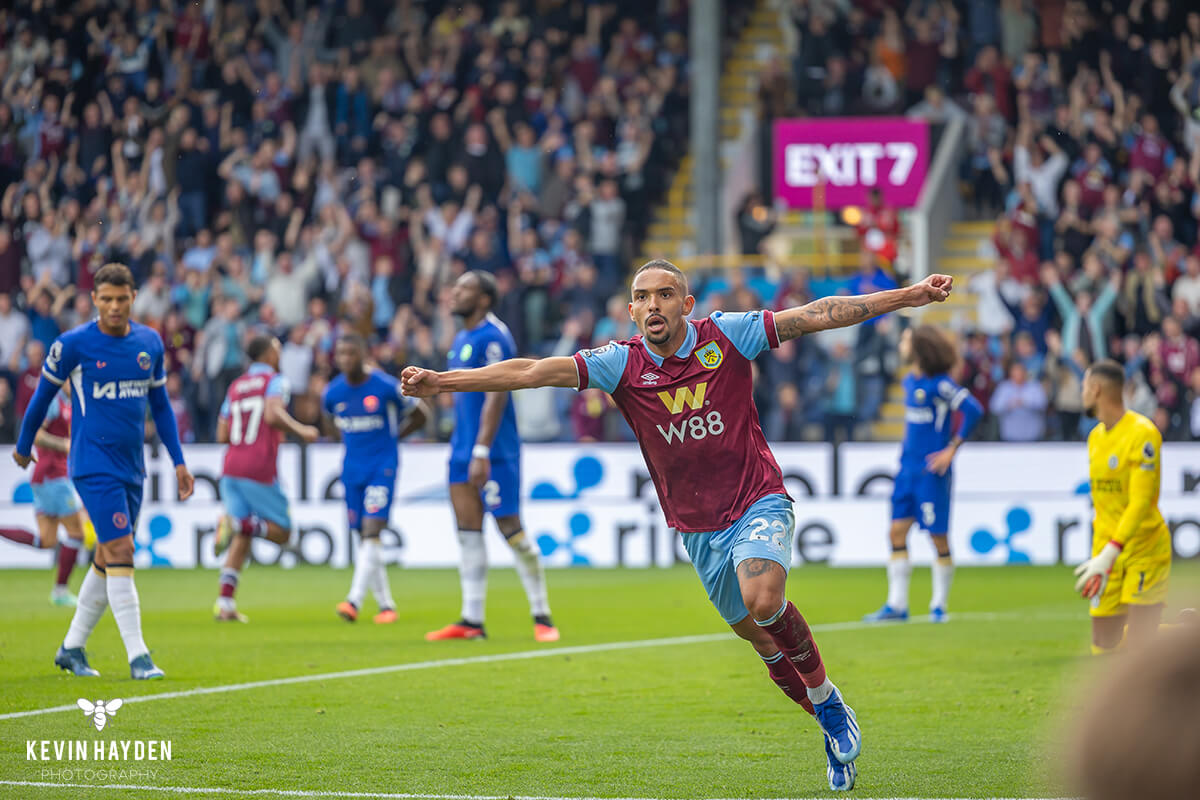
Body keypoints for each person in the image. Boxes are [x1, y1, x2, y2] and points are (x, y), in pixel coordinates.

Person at [403, 258, 955, 792]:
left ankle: (829, 703)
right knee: (758, 638)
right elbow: (528, 371)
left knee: (764, 599)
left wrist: (910, 295)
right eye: (642, 297)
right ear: (631, 311)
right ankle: (826, 727)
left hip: (757, 499)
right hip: (698, 527)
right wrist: (442, 382)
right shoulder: (620, 363)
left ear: (686, 304)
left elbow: (818, 313)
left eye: (664, 294)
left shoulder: (729, 335)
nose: (652, 305)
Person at [13, 263, 195, 680]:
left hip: (132, 466)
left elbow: (161, 408)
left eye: (121, 298)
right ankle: (139, 656)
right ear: (94, 300)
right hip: (92, 464)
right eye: (106, 299)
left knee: (107, 555)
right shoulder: (73, 344)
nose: (114, 306)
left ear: (134, 297)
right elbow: (40, 399)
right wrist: (24, 446)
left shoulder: (149, 342)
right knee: (123, 551)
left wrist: (179, 460)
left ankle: (71, 648)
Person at [425, 271, 558, 643]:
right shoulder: (463, 338)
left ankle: (542, 614)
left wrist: (481, 449)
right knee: (468, 533)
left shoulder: (494, 335)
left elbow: (497, 392)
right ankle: (471, 620)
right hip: (460, 450)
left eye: (464, 288)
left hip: (494, 452)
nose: (454, 292)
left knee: (510, 529)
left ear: (484, 298)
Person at [863, 326, 982, 624]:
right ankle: (897, 605)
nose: (901, 343)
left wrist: (952, 449)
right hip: (907, 470)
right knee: (896, 532)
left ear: (918, 347)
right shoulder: (908, 381)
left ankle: (939, 605)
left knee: (938, 537)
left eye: (905, 339)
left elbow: (974, 410)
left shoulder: (939, 385)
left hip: (932, 472)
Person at [212, 335, 320, 622]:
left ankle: (225, 603)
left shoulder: (235, 387)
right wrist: (302, 430)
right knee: (283, 532)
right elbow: (273, 414)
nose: (279, 354)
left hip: (231, 466)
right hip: (258, 467)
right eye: (278, 349)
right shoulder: (275, 380)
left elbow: (222, 434)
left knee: (244, 537)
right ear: (269, 354)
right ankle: (237, 523)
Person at [322, 334, 429, 624]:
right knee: (365, 536)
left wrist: (395, 440)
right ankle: (386, 605)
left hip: (382, 466)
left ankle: (353, 600)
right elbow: (328, 422)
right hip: (351, 469)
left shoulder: (384, 386)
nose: (345, 359)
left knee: (372, 530)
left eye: (351, 353)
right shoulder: (333, 393)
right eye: (341, 354)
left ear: (364, 354)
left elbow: (422, 414)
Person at [1073, 360, 1172, 655]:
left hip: (1143, 548)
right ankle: (1181, 631)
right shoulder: (1095, 438)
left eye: (1083, 387)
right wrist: (1101, 554)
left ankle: (1183, 636)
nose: (1082, 394)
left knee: (1139, 653)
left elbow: (1141, 502)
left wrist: (1110, 551)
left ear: (1096, 389)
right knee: (1104, 646)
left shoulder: (1143, 434)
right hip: (1106, 549)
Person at [0, 382, 88, 606]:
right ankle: (60, 591)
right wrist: (63, 444)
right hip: (52, 476)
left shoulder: (68, 403)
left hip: (45, 478)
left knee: (47, 540)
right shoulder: (53, 402)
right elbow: (35, 434)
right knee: (77, 533)